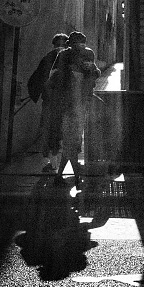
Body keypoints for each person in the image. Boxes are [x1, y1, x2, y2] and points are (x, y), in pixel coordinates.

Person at [48, 31, 100, 188]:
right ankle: (75, 177)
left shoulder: (78, 56)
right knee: (72, 142)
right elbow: (55, 78)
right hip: (70, 106)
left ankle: (63, 177)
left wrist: (91, 70)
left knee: (71, 143)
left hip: (74, 105)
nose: (79, 49)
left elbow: (94, 74)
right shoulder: (66, 57)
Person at [27, 33, 69, 172]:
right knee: (61, 132)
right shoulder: (70, 58)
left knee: (49, 130)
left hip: (50, 101)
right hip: (64, 102)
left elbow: (37, 78)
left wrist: (36, 93)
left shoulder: (48, 57)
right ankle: (59, 163)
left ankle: (53, 162)